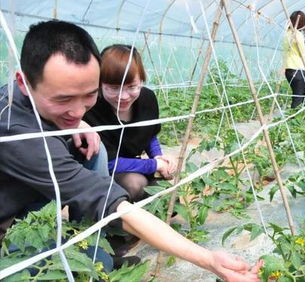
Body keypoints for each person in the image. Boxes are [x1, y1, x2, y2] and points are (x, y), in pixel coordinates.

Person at [0, 20, 260, 281]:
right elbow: (103, 198)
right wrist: (209, 259)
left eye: (88, 95)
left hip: (27, 195)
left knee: (95, 151)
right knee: (64, 266)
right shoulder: (18, 131)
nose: (79, 110)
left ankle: (92, 250)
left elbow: (148, 136)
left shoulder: (27, 100)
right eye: (63, 99)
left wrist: (79, 124)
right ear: (23, 83)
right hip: (7, 221)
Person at [84, 44, 176, 203]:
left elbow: (150, 134)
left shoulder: (147, 99)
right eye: (113, 88)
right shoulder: (92, 110)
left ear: (141, 80)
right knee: (135, 184)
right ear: (100, 84)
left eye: (132, 86)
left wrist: (158, 157)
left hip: (135, 164)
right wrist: (154, 165)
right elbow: (110, 163)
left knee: (168, 199)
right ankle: (112, 217)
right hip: (104, 171)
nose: (123, 96)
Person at [283, 10, 305, 108]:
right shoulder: (297, 35)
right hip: (298, 68)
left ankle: (296, 117)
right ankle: (295, 120)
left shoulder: (286, 34)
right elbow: (303, 54)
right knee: (298, 97)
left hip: (289, 69)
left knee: (296, 95)